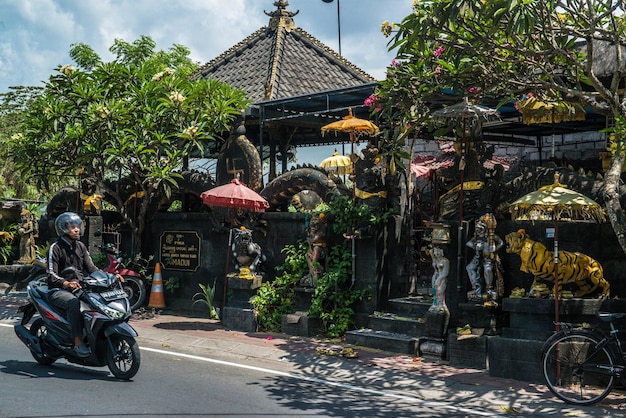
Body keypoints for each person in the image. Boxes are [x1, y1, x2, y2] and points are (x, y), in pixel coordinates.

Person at [47, 212, 123, 357]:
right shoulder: (55, 248)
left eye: (77, 226)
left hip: (80, 287)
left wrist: (110, 277)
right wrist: (66, 283)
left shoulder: (81, 246)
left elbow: (92, 268)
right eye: (72, 227)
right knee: (73, 303)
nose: (76, 229)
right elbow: (51, 274)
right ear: (63, 229)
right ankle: (78, 342)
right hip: (58, 290)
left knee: (98, 302)